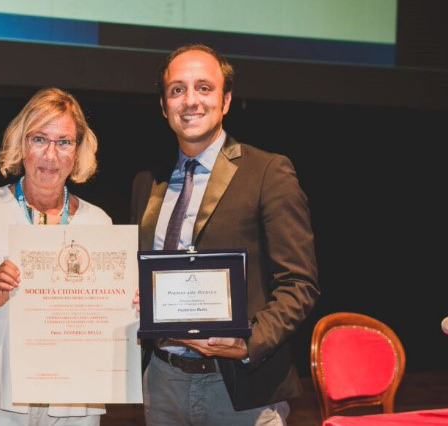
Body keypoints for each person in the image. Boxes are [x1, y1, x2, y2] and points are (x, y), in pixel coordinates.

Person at [131, 44, 320, 425]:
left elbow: (300, 284)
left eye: (204, 88)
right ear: (164, 106)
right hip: (162, 384)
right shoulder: (146, 182)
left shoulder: (268, 171)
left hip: (241, 392)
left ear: (226, 100)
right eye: (177, 90)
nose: (191, 101)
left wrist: (249, 343)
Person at [0, 87, 111, 426]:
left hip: (73, 398)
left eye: (64, 142)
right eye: (39, 139)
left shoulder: (98, 222)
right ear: (21, 144)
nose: (51, 155)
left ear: (78, 150)